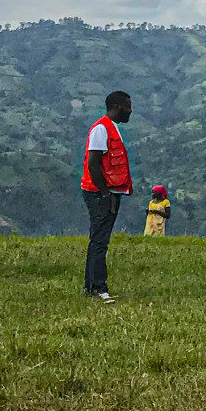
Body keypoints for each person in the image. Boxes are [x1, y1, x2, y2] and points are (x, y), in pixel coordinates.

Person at [80, 90, 134, 302]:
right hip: (99, 194)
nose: (131, 111)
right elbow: (93, 163)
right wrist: (105, 194)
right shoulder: (101, 129)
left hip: (106, 193)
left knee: (98, 240)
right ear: (118, 106)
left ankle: (91, 286)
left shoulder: (113, 128)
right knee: (100, 241)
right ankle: (100, 288)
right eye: (128, 106)